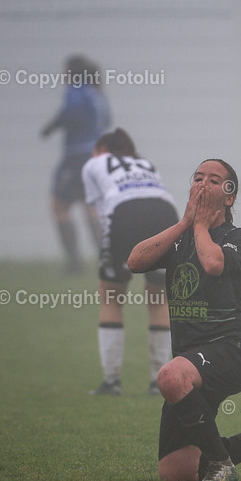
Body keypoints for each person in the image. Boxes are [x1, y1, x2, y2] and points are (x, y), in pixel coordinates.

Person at [128, 159, 241, 481]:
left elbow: (211, 263)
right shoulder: (181, 237)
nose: (203, 184)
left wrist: (199, 227)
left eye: (213, 180)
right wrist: (185, 223)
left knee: (168, 375)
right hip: (189, 361)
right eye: (198, 178)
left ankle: (224, 466)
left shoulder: (238, 237)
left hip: (230, 351)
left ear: (229, 198)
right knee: (176, 473)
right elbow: (135, 261)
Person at [82, 128, 177, 397]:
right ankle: (157, 383)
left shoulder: (93, 163)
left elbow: (101, 210)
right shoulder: (146, 163)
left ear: (101, 150)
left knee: (111, 296)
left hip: (124, 211)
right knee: (159, 299)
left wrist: (107, 250)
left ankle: (111, 382)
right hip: (165, 212)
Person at [41, 55, 112, 273]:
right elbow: (107, 120)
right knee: (90, 206)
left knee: (59, 205)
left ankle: (74, 264)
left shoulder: (76, 90)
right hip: (97, 155)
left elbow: (72, 115)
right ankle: (107, 263)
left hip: (76, 157)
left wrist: (53, 125)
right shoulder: (98, 93)